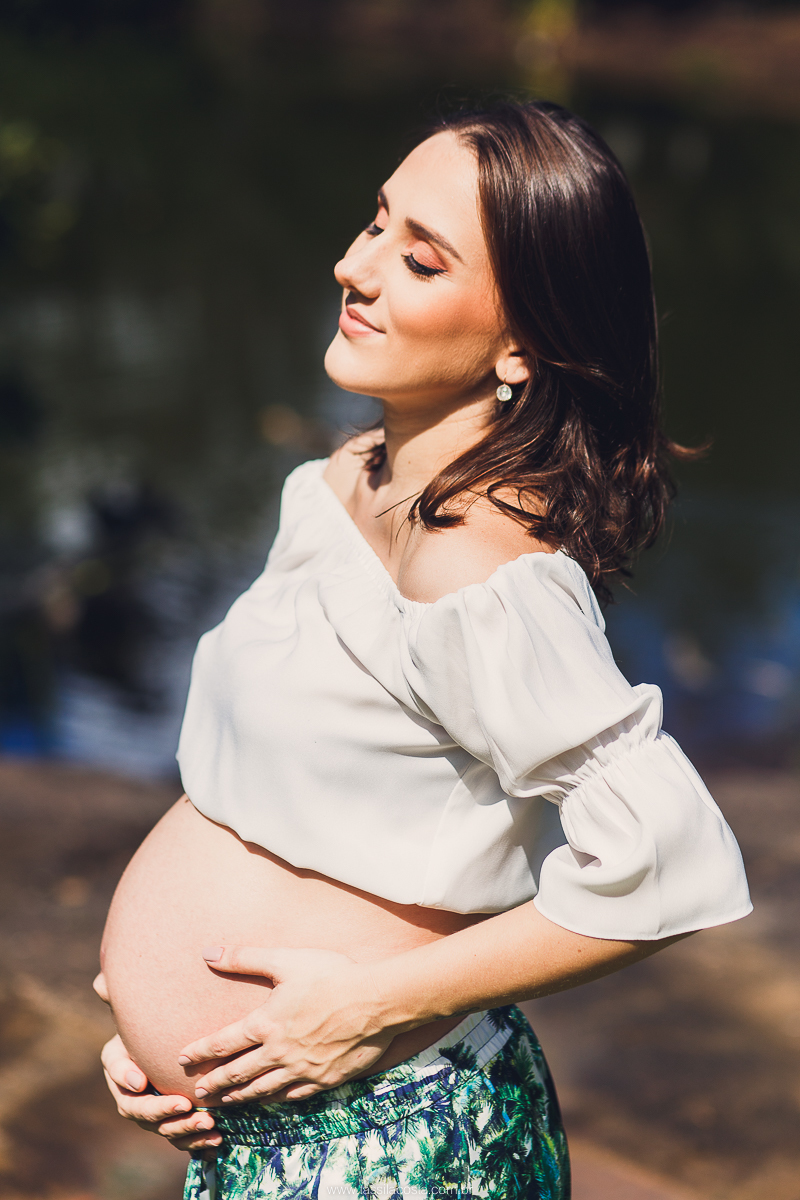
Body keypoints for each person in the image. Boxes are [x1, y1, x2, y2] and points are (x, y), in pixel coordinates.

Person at [94, 100, 751, 1200]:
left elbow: (668, 860)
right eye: (373, 224)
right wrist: (155, 1026)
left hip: (392, 1146)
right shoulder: (351, 476)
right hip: (268, 1135)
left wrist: (366, 1007)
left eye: (419, 257)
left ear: (521, 342)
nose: (356, 267)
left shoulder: (482, 571)